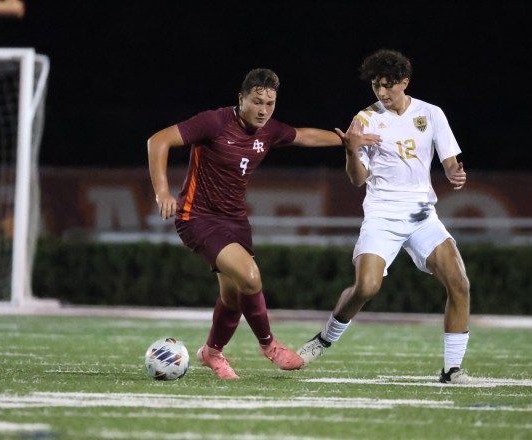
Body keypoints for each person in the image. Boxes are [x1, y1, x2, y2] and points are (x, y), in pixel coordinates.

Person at [147, 68, 370, 380]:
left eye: (270, 103)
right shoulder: (215, 121)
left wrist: (346, 140)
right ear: (241, 99)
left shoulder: (269, 130)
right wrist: (161, 191)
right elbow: (158, 141)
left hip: (235, 220)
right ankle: (270, 346)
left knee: (233, 296)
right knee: (251, 277)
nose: (264, 110)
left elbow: (303, 135)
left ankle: (211, 352)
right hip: (196, 217)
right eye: (257, 102)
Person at [297, 49, 473, 384]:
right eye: (377, 85)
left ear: (405, 82)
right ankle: (324, 339)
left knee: (459, 283)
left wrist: (454, 173)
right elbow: (357, 179)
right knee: (366, 287)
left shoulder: (430, 114)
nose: (382, 92)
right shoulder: (364, 120)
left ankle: (452, 370)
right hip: (382, 213)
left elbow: (450, 160)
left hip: (422, 213)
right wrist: (351, 149)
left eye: (389, 85)